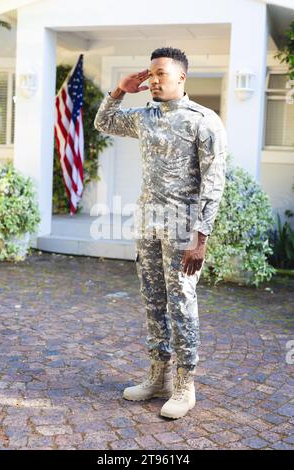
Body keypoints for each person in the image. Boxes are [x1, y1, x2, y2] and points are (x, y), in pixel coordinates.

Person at [94, 47, 227, 419]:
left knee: (181, 304)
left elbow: (214, 183)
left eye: (161, 73)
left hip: (183, 230)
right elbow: (103, 124)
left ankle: (186, 385)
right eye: (150, 74)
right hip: (148, 226)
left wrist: (200, 237)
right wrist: (119, 90)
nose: (153, 80)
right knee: (153, 301)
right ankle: (159, 377)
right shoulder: (146, 117)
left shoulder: (204, 121)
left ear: (181, 77)